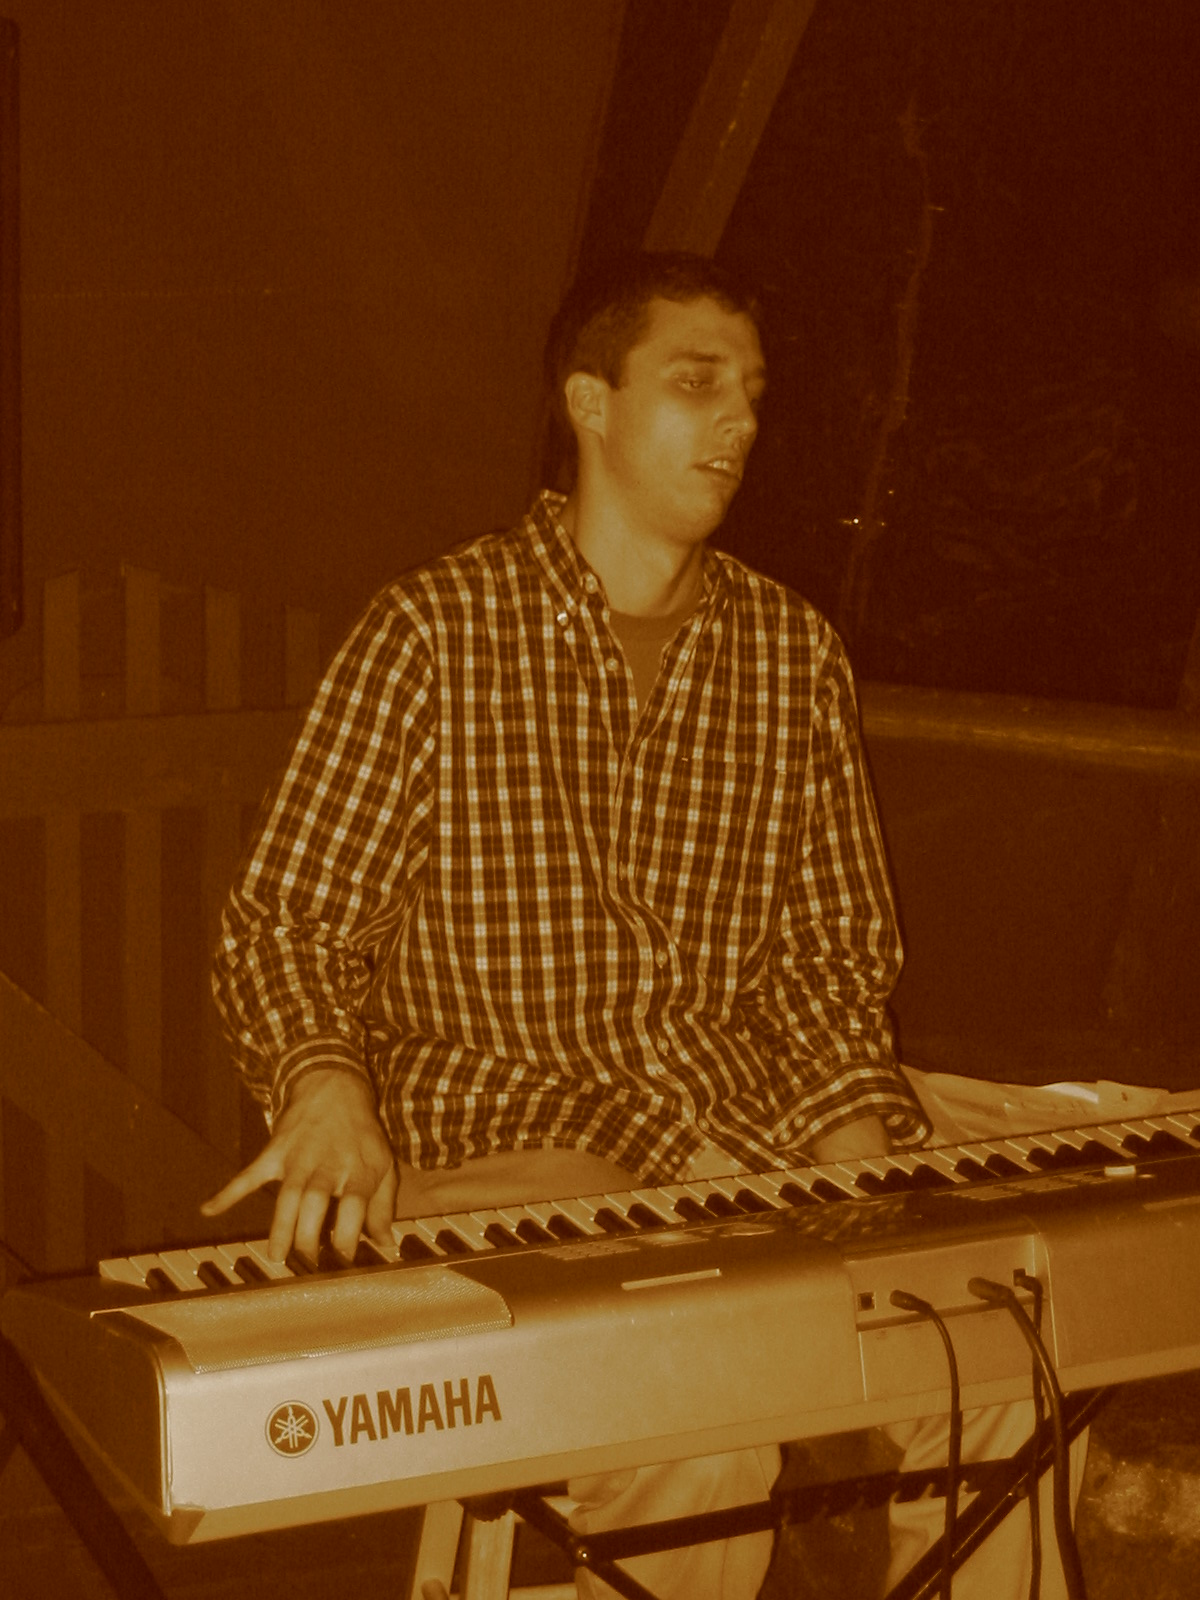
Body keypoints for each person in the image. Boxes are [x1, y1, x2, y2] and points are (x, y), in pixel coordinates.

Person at [204, 252, 1062, 1600]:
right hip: (511, 1145)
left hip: (734, 1140)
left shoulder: (790, 654)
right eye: (698, 383)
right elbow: (286, 927)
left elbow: (828, 961)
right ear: (591, 402)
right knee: (695, 1429)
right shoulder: (436, 633)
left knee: (1003, 1355)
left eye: (753, 391)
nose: (741, 421)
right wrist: (323, 1085)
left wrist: (860, 1148)